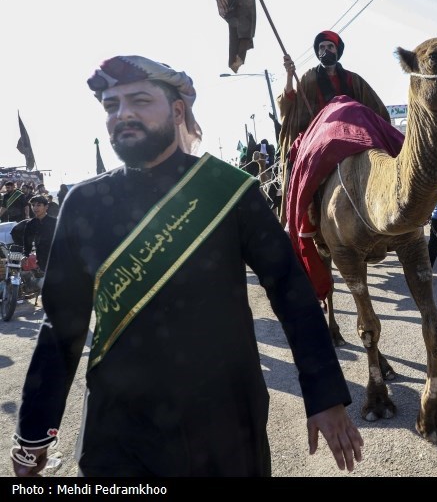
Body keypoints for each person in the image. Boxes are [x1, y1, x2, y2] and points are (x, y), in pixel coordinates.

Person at [11, 55, 363, 478]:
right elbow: (60, 327)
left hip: (226, 423)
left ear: (177, 110)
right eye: (111, 105)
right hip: (119, 429)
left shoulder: (229, 191)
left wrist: (324, 395)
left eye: (139, 100)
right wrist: (34, 433)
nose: (122, 113)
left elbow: (292, 292)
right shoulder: (82, 204)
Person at [277, 30, 390, 223]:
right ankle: (300, 217)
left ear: (337, 51)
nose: (326, 50)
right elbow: (290, 104)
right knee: (295, 158)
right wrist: (289, 75)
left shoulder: (353, 79)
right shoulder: (309, 78)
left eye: (330, 47)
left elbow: (376, 108)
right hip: (319, 135)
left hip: (351, 135)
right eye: (322, 47)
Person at [22, 195, 57, 273]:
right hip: (41, 258)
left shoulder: (54, 222)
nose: (35, 208)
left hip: (56, 257)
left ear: (46, 207)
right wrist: (25, 255)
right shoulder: (30, 224)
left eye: (38, 205)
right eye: (33, 205)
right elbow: (27, 242)